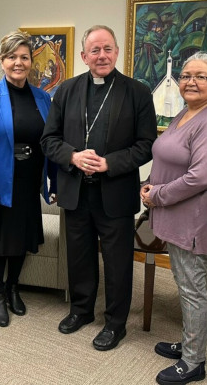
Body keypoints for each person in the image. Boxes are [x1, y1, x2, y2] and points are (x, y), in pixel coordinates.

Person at [41, 25, 157, 351]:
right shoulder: (66, 90)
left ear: (117, 52)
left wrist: (110, 163)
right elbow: (49, 140)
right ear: (84, 56)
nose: (102, 55)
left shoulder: (137, 92)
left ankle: (115, 324)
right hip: (76, 191)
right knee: (78, 257)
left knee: (118, 262)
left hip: (115, 191)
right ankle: (81, 311)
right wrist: (74, 157)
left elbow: (147, 145)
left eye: (107, 48)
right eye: (95, 50)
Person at [140, 52, 207, 385]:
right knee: (191, 287)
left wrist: (158, 195)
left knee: (193, 290)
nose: (190, 81)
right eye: (185, 75)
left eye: (200, 76)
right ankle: (191, 344)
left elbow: (201, 176)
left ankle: (194, 362)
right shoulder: (190, 110)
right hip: (178, 214)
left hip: (194, 218)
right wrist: (151, 184)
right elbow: (171, 155)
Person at [0, 31, 56, 327]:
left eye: (24, 57)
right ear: (2, 60)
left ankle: (13, 287)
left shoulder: (43, 98)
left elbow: (52, 142)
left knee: (20, 239)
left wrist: (52, 183)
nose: (18, 63)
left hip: (28, 180)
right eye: (12, 57)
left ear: (31, 61)